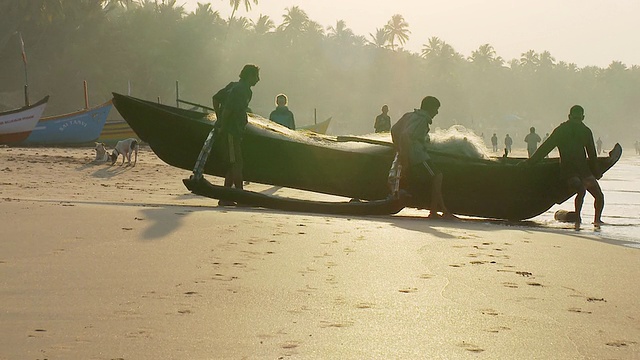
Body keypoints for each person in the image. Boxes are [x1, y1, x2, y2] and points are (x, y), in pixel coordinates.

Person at [525, 105, 604, 228]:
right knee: (581, 191)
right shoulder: (564, 131)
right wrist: (531, 162)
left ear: (581, 118)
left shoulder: (584, 131)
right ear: (576, 117)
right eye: (576, 119)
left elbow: (592, 154)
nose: (577, 122)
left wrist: (596, 171)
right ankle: (578, 218)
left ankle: (597, 221)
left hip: (583, 170)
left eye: (578, 119)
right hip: (569, 171)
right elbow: (546, 148)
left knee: (599, 196)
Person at [390, 96, 455, 219]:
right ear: (430, 109)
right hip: (417, 156)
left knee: (437, 176)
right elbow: (405, 135)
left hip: (413, 154)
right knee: (437, 176)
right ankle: (434, 211)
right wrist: (405, 157)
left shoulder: (410, 115)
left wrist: (397, 148)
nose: (437, 112)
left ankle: (442, 210)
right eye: (436, 109)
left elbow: (395, 130)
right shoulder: (422, 119)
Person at [211, 64, 260, 206]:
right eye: (256, 76)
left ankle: (227, 196)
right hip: (231, 131)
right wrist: (221, 122)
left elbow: (216, 98)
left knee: (233, 164)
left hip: (235, 130)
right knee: (236, 164)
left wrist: (218, 116)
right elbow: (228, 109)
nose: (258, 79)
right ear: (249, 76)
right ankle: (240, 196)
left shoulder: (235, 86)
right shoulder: (241, 90)